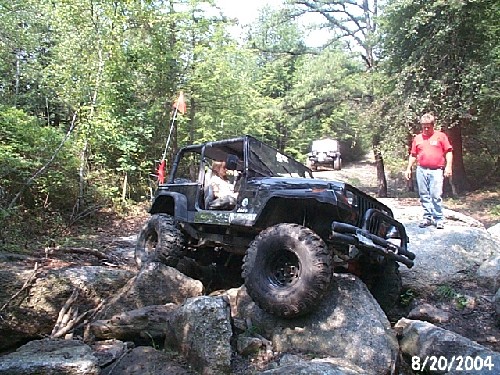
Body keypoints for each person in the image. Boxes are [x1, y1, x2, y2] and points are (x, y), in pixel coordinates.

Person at [405, 113, 453, 229]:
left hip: (436, 170)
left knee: (435, 194)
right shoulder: (418, 138)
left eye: (428, 126)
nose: (426, 129)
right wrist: (408, 168)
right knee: (424, 195)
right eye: (424, 126)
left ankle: (439, 218)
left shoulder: (440, 136)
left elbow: (449, 151)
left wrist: (449, 167)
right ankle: (427, 217)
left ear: (433, 125)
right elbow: (413, 154)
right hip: (421, 169)